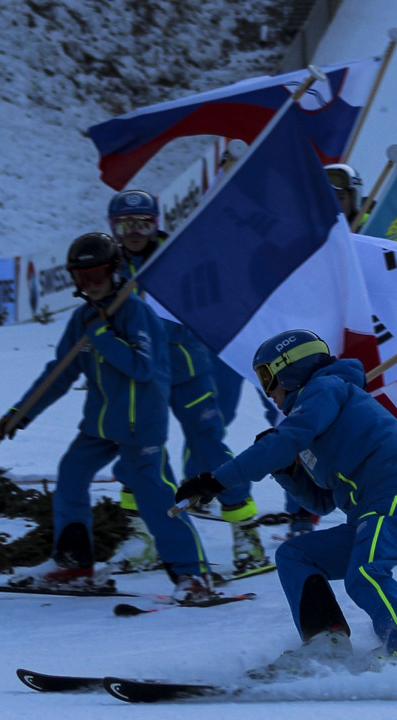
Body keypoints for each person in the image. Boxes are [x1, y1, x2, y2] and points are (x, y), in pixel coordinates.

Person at [175, 329, 397, 669]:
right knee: (295, 555)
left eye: (267, 376)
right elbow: (321, 502)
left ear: (291, 368)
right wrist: (287, 470)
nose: (267, 390)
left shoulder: (326, 388)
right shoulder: (319, 417)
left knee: (365, 573)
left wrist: (215, 480)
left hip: (396, 500)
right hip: (370, 514)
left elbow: (285, 440)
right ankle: (325, 640)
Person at [0, 232, 213, 604]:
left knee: (154, 495)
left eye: (97, 276)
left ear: (117, 270)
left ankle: (191, 575)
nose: (90, 286)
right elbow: (58, 373)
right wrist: (19, 413)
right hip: (101, 425)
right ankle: (74, 564)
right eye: (80, 278)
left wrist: (104, 336)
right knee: (72, 475)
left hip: (140, 426)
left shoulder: (136, 312)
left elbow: (142, 367)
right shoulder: (83, 319)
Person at [106, 190, 270, 576]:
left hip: (186, 368)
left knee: (208, 445)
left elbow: (203, 305)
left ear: (157, 223)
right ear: (113, 228)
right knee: (138, 450)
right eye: (126, 225)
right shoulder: (110, 265)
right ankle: (142, 534)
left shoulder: (179, 259)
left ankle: (245, 531)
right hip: (139, 376)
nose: (135, 232)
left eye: (143, 223)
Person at [324, 163, 365, 228]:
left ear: (353, 202)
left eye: (340, 198)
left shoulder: (367, 231)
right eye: (326, 198)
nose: (333, 204)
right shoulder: (303, 231)